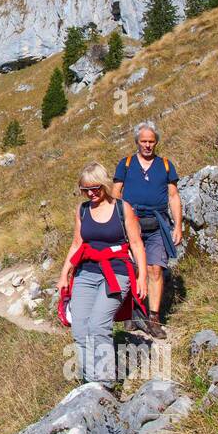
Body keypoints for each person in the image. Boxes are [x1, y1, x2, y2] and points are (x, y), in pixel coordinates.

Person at [57, 163, 148, 387]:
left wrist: (142, 277)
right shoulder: (82, 210)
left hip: (116, 272)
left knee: (98, 325)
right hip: (86, 272)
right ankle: (90, 382)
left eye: (95, 188)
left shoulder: (122, 208)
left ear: (104, 185)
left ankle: (106, 384)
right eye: (85, 190)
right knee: (80, 328)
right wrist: (64, 274)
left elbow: (136, 243)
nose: (91, 194)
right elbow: (77, 243)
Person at [112, 121, 182, 339]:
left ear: (156, 142)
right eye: (144, 141)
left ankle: (153, 319)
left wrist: (178, 225)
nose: (148, 145)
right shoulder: (126, 164)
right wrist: (115, 223)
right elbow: (115, 195)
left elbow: (173, 196)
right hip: (130, 225)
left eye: (151, 141)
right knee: (131, 269)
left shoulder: (166, 165)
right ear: (137, 141)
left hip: (157, 224)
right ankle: (132, 314)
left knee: (155, 270)